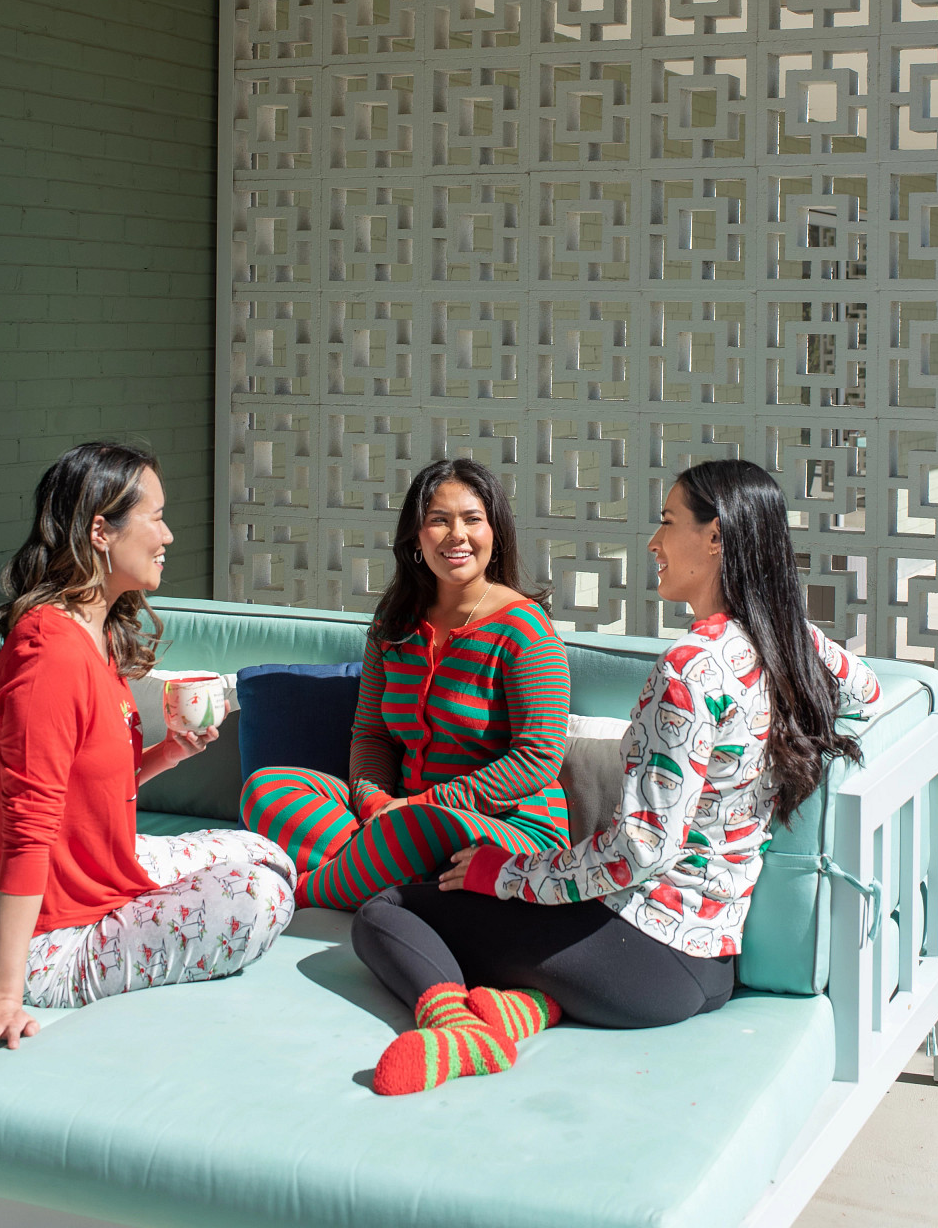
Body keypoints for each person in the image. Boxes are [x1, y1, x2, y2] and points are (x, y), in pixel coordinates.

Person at [351, 458, 881, 1095]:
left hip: (640, 955)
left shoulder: (689, 669)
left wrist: (508, 875)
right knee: (482, 921)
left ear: (716, 538)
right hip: (711, 960)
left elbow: (639, 852)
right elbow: (869, 691)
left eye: (667, 523)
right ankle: (522, 1011)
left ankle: (459, 1032)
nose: (654, 543)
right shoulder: (785, 644)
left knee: (387, 912)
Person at [0, 442, 296, 1062]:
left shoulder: (94, 629)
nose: (168, 533)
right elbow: (31, 825)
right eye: (155, 516)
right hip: (49, 944)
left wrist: (165, 756)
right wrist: (4, 997)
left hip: (99, 870)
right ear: (100, 530)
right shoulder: (48, 654)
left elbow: (85, 785)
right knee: (260, 894)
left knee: (263, 849)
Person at [240, 459, 570, 916]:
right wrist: (375, 801)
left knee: (414, 826)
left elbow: (539, 756)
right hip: (397, 813)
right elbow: (371, 733)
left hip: (507, 825)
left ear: (495, 534)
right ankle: (395, 883)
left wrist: (419, 804)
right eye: (438, 520)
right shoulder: (393, 623)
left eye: (473, 519)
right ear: (416, 537)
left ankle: (293, 895)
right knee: (267, 787)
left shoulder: (526, 629)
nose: (457, 534)